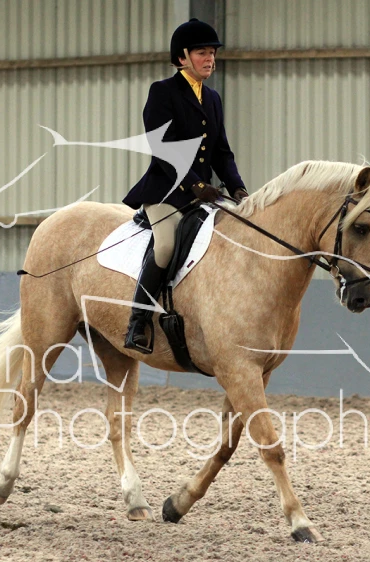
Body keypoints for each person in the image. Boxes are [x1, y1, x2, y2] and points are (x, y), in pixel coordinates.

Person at [121, 18, 248, 354]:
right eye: (202, 53)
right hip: (166, 192)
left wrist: (238, 189)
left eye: (212, 53)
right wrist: (195, 184)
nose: (210, 59)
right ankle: (138, 322)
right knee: (165, 246)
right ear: (182, 58)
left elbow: (221, 152)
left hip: (201, 196)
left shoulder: (213, 98)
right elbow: (162, 147)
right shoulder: (162, 92)